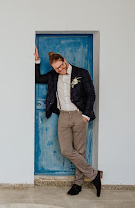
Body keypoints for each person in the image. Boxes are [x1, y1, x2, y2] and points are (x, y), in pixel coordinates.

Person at [34, 47, 102, 197]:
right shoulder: (53, 76)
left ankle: (78, 184)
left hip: (79, 115)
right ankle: (94, 175)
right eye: (56, 68)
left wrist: (86, 115)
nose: (60, 70)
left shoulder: (81, 73)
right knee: (66, 149)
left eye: (61, 66)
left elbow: (91, 94)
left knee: (80, 151)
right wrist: (37, 61)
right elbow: (37, 78)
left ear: (64, 60)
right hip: (63, 116)